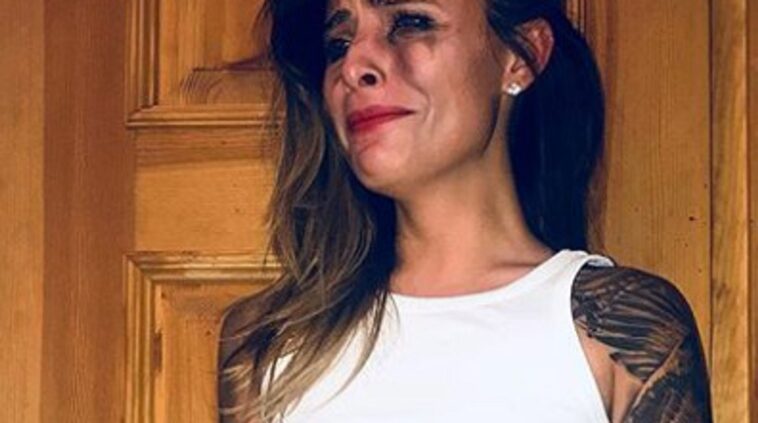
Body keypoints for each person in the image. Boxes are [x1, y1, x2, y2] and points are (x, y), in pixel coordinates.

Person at [217, 0, 713, 421]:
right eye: (338, 44)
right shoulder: (266, 343)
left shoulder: (621, 334)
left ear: (521, 56)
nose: (353, 65)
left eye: (411, 22)